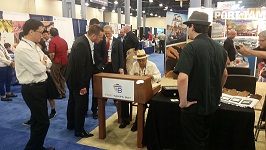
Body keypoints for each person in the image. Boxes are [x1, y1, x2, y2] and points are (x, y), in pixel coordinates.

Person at [173, 11, 228, 150]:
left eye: (187, 26)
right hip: (212, 104)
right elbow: (225, 75)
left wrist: (183, 102)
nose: (187, 30)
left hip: (194, 106)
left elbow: (182, 78)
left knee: (194, 143)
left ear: (192, 26)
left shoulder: (190, 48)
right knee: (205, 138)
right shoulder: (220, 49)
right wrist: (216, 91)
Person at [15, 19, 54, 150]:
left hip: (40, 87)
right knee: (43, 122)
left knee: (37, 121)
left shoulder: (34, 46)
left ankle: (37, 147)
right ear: (31, 32)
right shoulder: (23, 49)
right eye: (40, 32)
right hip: (32, 89)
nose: (42, 35)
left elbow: (48, 62)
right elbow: (39, 69)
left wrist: (43, 63)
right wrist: (42, 63)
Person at [65, 25, 104, 138]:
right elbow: (79, 67)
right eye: (100, 37)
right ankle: (79, 130)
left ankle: (71, 124)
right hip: (77, 81)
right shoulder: (82, 44)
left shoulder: (81, 40)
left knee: (72, 102)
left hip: (72, 79)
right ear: (93, 35)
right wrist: (82, 85)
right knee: (81, 105)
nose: (101, 40)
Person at [237, 30, 266, 129]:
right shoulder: (261, 47)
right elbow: (251, 53)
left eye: (262, 40)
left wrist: (248, 50)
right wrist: (240, 51)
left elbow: (263, 54)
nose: (259, 42)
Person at [128, 49, 161, 131]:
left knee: (144, 102)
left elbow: (159, 77)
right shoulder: (135, 65)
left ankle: (138, 123)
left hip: (150, 89)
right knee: (138, 101)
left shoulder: (152, 65)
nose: (141, 63)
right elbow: (129, 76)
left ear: (146, 59)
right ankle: (134, 121)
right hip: (137, 89)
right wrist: (133, 77)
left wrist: (152, 76)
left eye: (143, 60)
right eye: (139, 61)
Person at [119, 25, 139, 128]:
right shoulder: (127, 36)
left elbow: (136, 42)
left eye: (125, 29)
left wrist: (135, 49)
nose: (123, 30)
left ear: (128, 29)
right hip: (127, 53)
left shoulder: (131, 35)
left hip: (130, 52)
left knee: (130, 67)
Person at [89, 18, 108, 119]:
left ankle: (94, 109)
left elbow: (105, 53)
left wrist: (102, 66)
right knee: (84, 89)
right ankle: (83, 109)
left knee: (96, 90)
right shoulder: (84, 37)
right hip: (87, 68)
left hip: (97, 67)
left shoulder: (102, 38)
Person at [49, 27, 68, 99]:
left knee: (55, 78)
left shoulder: (52, 41)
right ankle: (63, 92)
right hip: (65, 61)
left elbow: (52, 54)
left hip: (57, 61)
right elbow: (66, 52)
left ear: (51, 34)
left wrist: (50, 61)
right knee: (62, 77)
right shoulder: (63, 40)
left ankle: (58, 93)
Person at [0, 34, 16, 101]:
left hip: (7, 65)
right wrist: (9, 62)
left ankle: (8, 92)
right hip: (2, 66)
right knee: (2, 81)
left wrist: (11, 60)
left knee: (8, 80)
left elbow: (6, 53)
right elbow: (1, 58)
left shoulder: (1, 45)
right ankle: (3, 96)